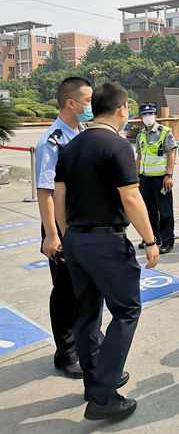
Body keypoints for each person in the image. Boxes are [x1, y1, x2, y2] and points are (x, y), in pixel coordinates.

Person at [54, 82, 159, 421]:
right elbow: (131, 197)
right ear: (122, 109)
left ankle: (94, 379)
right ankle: (103, 394)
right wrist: (150, 240)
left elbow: (59, 196)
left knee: (87, 311)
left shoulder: (71, 146)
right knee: (127, 310)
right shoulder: (117, 146)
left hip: (76, 239)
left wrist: (67, 235)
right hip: (106, 241)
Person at [34, 76, 94, 378]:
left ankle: (88, 340)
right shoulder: (52, 141)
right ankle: (66, 352)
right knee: (66, 291)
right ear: (71, 103)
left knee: (87, 287)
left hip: (84, 224)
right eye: (88, 100)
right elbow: (45, 191)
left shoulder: (84, 133)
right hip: (62, 227)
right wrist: (52, 234)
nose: (92, 105)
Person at [135, 102, 177, 254]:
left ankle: (167, 240)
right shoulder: (140, 135)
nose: (148, 117)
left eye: (150, 114)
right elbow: (139, 156)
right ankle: (153, 238)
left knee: (165, 211)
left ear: (155, 115)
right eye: (145, 115)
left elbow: (171, 154)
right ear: (141, 118)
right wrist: (135, 176)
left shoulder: (164, 132)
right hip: (145, 178)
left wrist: (169, 175)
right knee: (148, 210)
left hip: (161, 179)